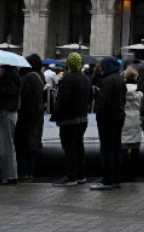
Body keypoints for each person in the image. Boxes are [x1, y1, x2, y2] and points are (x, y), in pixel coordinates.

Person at [51, 53, 91, 186]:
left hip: (69, 119)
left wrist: (56, 114)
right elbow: (90, 96)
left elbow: (63, 99)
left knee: (69, 147)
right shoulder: (85, 78)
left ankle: (71, 176)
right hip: (82, 118)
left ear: (68, 64)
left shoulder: (67, 78)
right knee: (79, 146)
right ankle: (81, 175)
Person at [92, 57, 126, 190]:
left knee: (106, 149)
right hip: (119, 117)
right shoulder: (120, 79)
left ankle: (107, 180)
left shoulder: (108, 81)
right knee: (117, 149)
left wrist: (98, 114)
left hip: (107, 119)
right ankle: (117, 178)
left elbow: (104, 101)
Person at [0, 62, 21, 185]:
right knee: (0, 144)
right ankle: (2, 174)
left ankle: (9, 175)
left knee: (5, 144)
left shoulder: (11, 74)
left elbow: (9, 91)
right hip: (6, 110)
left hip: (7, 110)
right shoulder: (9, 73)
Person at [121, 67, 143, 181]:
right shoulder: (140, 90)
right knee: (135, 148)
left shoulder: (122, 89)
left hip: (124, 118)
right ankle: (133, 173)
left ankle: (123, 172)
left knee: (123, 147)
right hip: (137, 119)